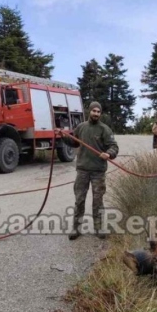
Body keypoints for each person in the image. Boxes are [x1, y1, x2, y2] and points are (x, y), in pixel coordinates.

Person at [56, 101, 119, 240]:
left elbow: (114, 147)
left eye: (98, 112)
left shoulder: (105, 129)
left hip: (98, 171)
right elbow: (74, 142)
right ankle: (76, 228)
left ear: (100, 114)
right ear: (89, 111)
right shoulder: (81, 127)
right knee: (79, 200)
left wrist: (108, 153)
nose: (96, 113)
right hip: (83, 171)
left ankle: (98, 228)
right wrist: (63, 136)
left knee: (98, 201)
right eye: (94, 111)